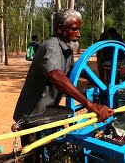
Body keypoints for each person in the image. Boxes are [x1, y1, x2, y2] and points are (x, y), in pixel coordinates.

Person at [13, 9, 114, 162]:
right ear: (60, 28)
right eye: (74, 29)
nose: (78, 33)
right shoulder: (52, 47)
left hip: (48, 112)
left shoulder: (66, 48)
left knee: (50, 150)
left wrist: (98, 82)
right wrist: (90, 105)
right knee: (33, 155)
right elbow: (56, 75)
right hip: (32, 114)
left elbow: (72, 70)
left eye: (79, 29)